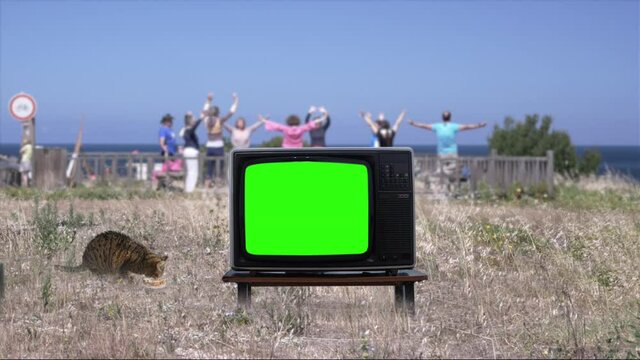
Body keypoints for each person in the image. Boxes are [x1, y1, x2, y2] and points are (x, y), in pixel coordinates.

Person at [409, 110, 487, 179]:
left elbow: (424, 126)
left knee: (444, 172)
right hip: (448, 152)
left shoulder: (438, 126)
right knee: (448, 172)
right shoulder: (451, 126)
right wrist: (479, 125)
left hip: (445, 152)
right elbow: (467, 127)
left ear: (442, 117)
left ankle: (449, 185)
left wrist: (413, 123)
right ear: (450, 117)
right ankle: (448, 186)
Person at [202, 92, 238, 187]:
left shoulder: (206, 120)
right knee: (219, 169)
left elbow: (204, 111)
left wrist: (208, 100)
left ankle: (206, 190)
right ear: (218, 113)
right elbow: (231, 113)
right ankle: (218, 188)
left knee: (209, 169)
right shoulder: (219, 120)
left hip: (209, 147)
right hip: (218, 146)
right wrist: (235, 101)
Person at [260, 110, 327, 148]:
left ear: (288, 121)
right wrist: (322, 118)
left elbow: (275, 125)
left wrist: (264, 120)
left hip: (286, 149)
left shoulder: (285, 128)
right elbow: (311, 124)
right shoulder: (301, 128)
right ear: (298, 121)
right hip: (298, 149)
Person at [180, 111, 204, 193]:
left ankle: (188, 189)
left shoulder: (184, 130)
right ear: (190, 121)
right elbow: (194, 126)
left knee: (191, 172)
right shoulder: (189, 130)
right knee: (193, 172)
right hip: (191, 151)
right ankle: (189, 190)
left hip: (187, 151)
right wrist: (200, 118)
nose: (194, 120)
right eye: (193, 119)